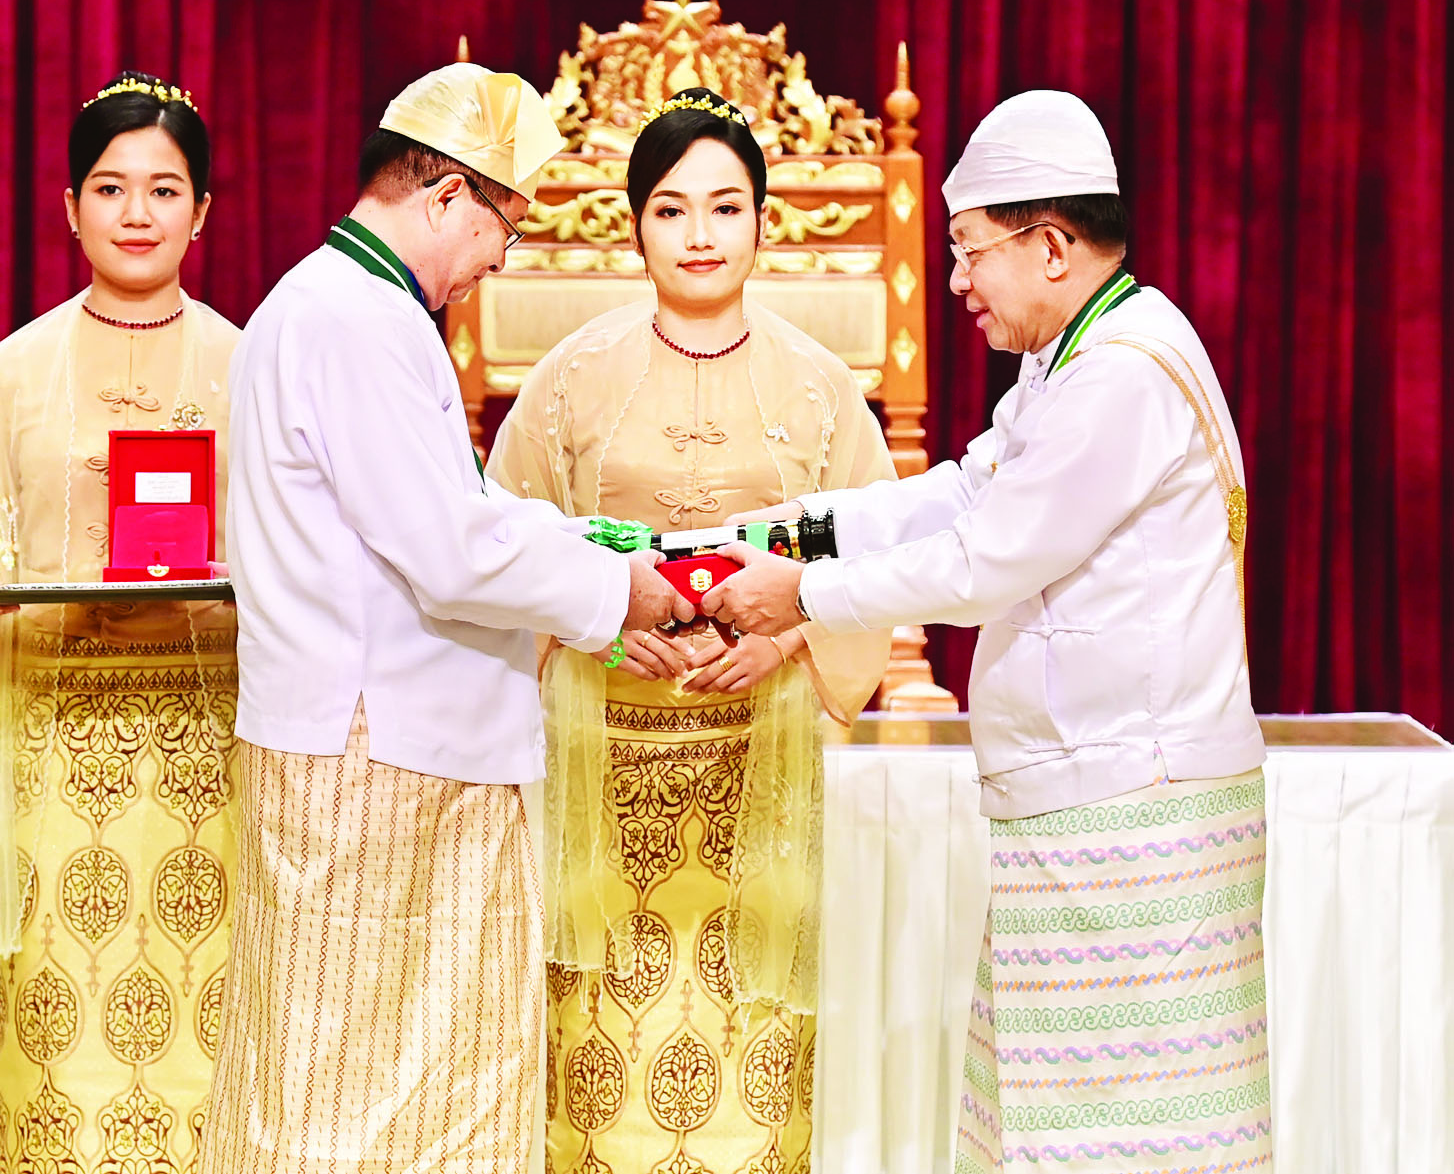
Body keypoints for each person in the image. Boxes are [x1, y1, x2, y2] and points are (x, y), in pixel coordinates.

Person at [705, 91, 1273, 1173]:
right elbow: (962, 492)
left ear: (1050, 246)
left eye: (970, 250)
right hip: (1088, 803)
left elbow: (984, 561)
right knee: (1047, 1125)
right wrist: (786, 528)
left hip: (1133, 812)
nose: (957, 280)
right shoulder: (1072, 356)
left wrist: (805, 595)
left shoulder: (1121, 372)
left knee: (1124, 1141)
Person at [198, 62, 689, 1174]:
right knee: (359, 1097)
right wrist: (618, 592)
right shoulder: (358, 320)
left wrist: (585, 546)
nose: (498, 260)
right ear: (448, 195)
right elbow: (447, 551)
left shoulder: (334, 303)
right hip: (380, 758)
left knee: (351, 1078)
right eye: (504, 227)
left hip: (371, 746)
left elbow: (447, 512)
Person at [486, 87, 894, 1174]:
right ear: (635, 227)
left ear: (764, 221)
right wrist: (598, 622)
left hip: (760, 755)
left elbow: (874, 553)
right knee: (602, 1040)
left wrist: (788, 636)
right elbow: (506, 541)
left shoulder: (820, 385)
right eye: (671, 209)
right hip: (601, 751)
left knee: (752, 1028)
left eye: (725, 207)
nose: (700, 234)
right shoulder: (570, 377)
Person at [0, 72, 240, 1171]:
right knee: (52, 1038)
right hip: (46, 758)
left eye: (164, 188)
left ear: (203, 210)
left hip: (211, 765)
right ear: (68, 207)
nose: (136, 213)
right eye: (110, 187)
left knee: (205, 1030)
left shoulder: (250, 366)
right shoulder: (16, 369)